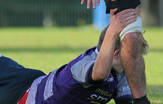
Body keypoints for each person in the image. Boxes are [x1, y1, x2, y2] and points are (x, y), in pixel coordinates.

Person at [0, 8, 140, 104]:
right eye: (132, 54)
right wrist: (112, 31)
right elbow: (99, 74)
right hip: (18, 92)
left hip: (31, 83)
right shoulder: (85, 65)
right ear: (115, 53)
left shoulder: (119, 73)